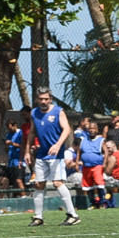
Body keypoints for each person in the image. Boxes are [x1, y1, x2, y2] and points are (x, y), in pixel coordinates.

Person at [23, 88, 80, 226]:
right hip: (42, 154)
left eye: (46, 99)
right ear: (37, 100)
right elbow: (32, 132)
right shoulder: (34, 113)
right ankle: (38, 217)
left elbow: (66, 129)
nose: (43, 101)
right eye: (41, 99)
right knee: (38, 184)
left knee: (57, 183)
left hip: (56, 155)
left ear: (50, 99)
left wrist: (58, 145)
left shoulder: (58, 111)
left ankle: (73, 215)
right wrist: (27, 152)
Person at [76, 120, 106, 208]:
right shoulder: (83, 140)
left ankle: (102, 203)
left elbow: (106, 152)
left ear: (97, 130)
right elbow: (79, 152)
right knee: (87, 184)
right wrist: (77, 162)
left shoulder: (100, 140)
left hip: (97, 165)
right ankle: (92, 203)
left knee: (99, 183)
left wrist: (104, 163)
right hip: (86, 166)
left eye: (93, 128)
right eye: (90, 128)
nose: (91, 130)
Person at [2, 120, 26, 196]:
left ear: (15, 125)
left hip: (19, 161)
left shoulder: (21, 133)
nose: (9, 130)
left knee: (19, 180)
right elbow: (7, 149)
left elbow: (24, 146)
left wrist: (13, 144)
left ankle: (24, 197)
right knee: (14, 183)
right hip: (11, 162)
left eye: (10, 128)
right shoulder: (8, 135)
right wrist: (6, 146)